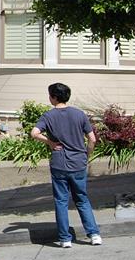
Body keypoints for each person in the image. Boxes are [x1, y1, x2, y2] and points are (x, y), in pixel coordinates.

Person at [31, 82, 102, 248]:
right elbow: (92, 139)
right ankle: (94, 234)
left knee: (61, 201)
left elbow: (34, 133)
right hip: (78, 162)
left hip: (59, 162)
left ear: (54, 97)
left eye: (50, 95)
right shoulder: (79, 114)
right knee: (82, 199)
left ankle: (65, 238)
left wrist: (49, 142)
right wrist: (86, 154)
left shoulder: (48, 116)